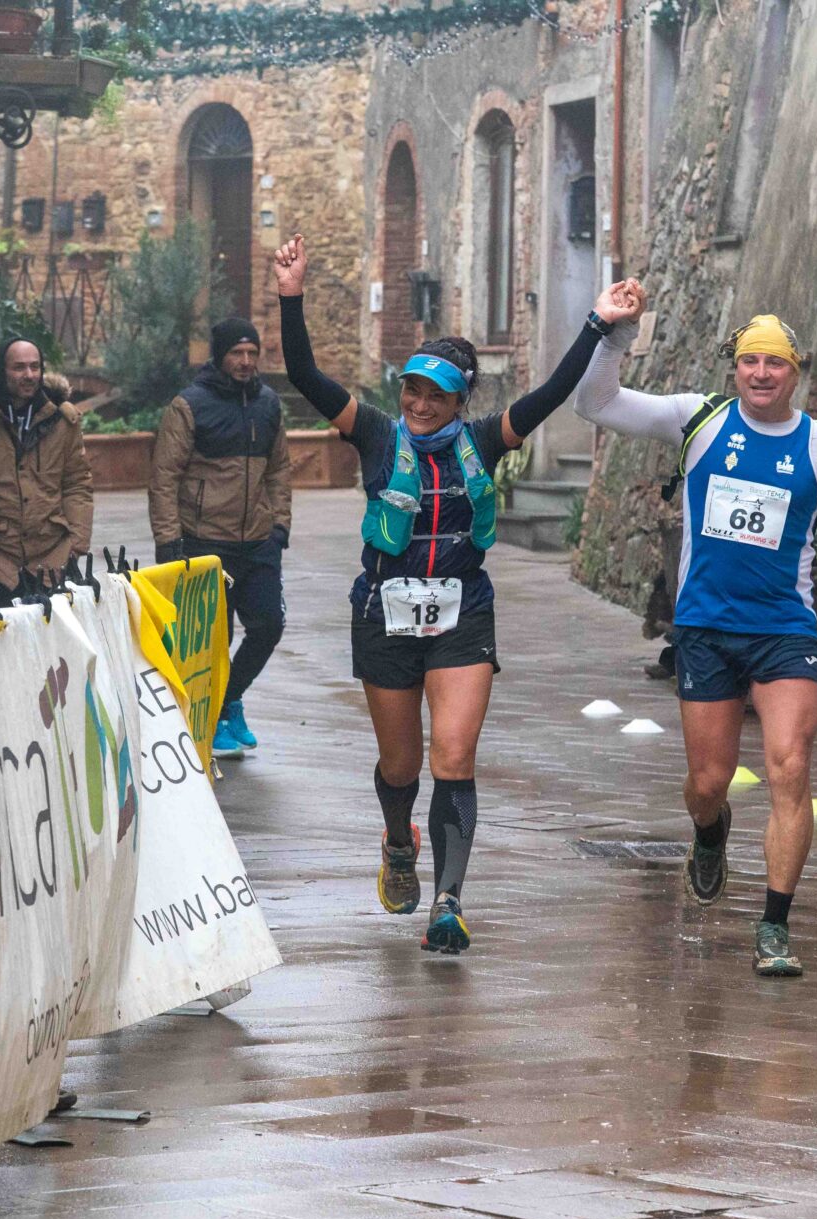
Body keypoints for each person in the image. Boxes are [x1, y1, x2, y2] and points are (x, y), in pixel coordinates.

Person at [274, 232, 618, 956]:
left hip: (462, 612)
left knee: (453, 758)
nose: (421, 404)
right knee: (401, 767)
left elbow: (552, 394)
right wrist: (291, 296)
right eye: (413, 390)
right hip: (385, 613)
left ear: (462, 400)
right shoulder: (375, 434)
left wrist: (596, 323)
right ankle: (398, 841)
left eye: (437, 395)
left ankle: (449, 901)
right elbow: (302, 372)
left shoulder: (487, 441)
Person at [572, 282, 817, 976]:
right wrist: (616, 334)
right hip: (705, 630)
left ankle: (775, 925)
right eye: (750, 361)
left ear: (795, 372)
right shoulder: (697, 421)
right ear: (735, 368)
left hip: (785, 632)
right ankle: (709, 832)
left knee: (791, 767)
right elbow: (595, 404)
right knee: (707, 782)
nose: (760, 373)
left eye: (774, 362)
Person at [149, 317, 293, 760]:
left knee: (269, 625)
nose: (246, 361)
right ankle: (210, 722)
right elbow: (164, 478)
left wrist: (280, 526)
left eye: (252, 353)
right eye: (237, 353)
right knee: (215, 638)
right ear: (220, 356)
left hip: (259, 542)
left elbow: (279, 470)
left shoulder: (269, 404)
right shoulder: (189, 406)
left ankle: (229, 700)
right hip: (205, 542)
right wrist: (168, 541)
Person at [0, 337, 94, 614]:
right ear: (1, 371)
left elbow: (77, 486)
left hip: (54, 557)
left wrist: (76, 546)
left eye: (35, 367)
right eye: (19, 367)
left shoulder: (63, 420)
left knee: (57, 640)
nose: (29, 375)